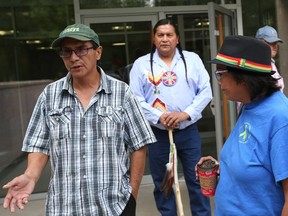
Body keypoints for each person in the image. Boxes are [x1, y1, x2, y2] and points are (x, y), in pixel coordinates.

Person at [2, 23, 156, 216]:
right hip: (64, 207)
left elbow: (138, 145)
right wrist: (30, 176)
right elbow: (38, 145)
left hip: (112, 207)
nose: (74, 58)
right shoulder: (50, 95)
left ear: (98, 52)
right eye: (67, 52)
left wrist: (131, 197)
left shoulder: (121, 93)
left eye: (81, 49)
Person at [196, 35, 288, 215]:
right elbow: (254, 163)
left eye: (221, 73)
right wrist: (223, 167)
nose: (219, 81)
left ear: (244, 77)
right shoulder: (249, 105)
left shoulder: (280, 118)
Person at [129, 18, 212, 216]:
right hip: (158, 134)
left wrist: (185, 114)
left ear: (177, 39)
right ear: (154, 39)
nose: (164, 39)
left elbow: (206, 91)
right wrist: (159, 117)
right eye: (160, 35)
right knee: (163, 182)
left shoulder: (192, 60)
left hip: (188, 131)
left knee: (196, 179)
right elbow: (134, 99)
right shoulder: (141, 65)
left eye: (169, 35)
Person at [256, 25, 284, 91]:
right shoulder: (254, 64)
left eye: (276, 43)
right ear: (260, 43)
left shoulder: (270, 62)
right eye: (272, 43)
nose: (275, 46)